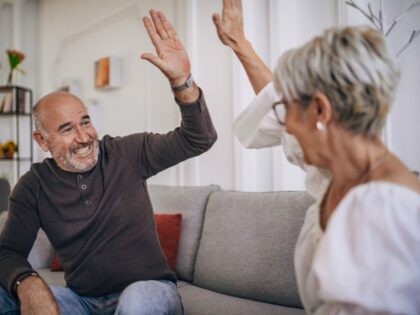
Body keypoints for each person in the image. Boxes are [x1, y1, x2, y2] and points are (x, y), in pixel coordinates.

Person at [0, 10, 216, 315]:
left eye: (85, 122)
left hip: (150, 289)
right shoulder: (33, 186)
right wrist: (28, 282)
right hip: (81, 300)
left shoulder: (127, 152)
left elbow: (199, 138)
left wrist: (183, 81)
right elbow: (8, 252)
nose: (84, 136)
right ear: (42, 141)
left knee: (136, 302)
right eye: (66, 129)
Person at [213, 1, 420, 314]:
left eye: (288, 111)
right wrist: (240, 44)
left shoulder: (390, 211)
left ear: (321, 111)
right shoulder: (332, 170)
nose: (285, 122)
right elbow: (274, 98)